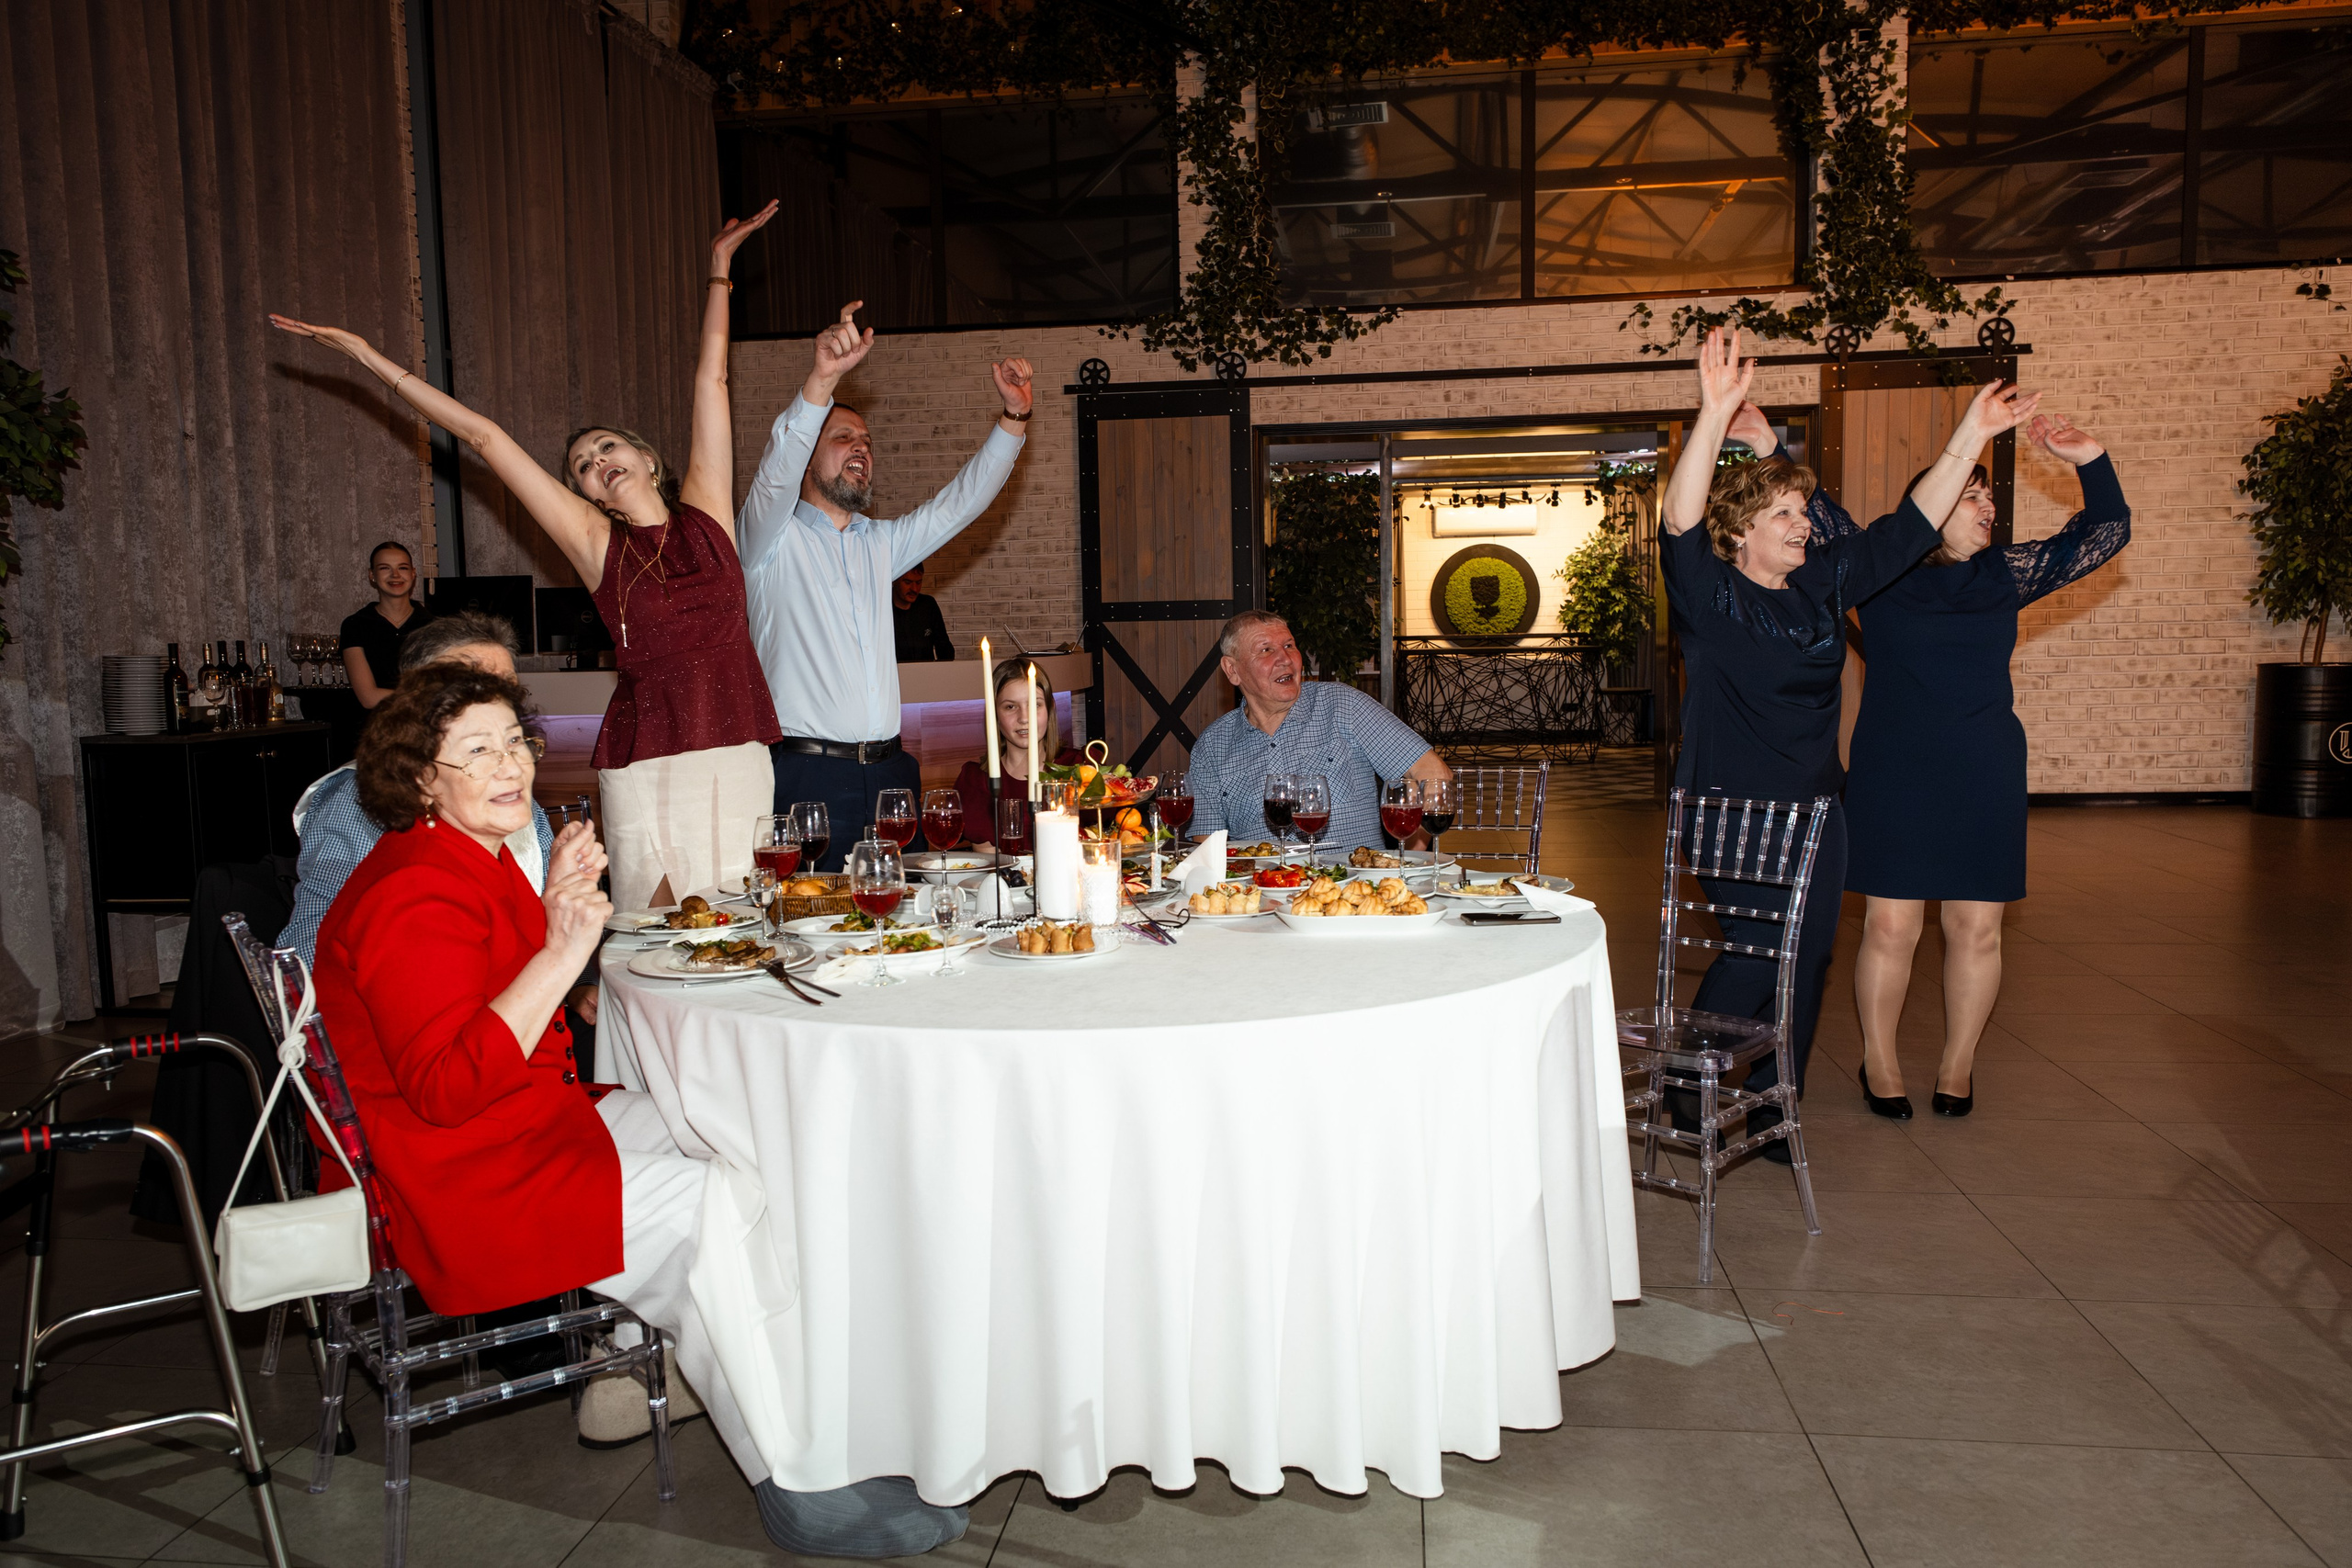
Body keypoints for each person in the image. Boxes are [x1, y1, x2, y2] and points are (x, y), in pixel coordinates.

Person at [312, 665, 967, 1558]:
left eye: (514, 741)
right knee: (704, 1206)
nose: (509, 765)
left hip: (519, 1123)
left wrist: (546, 906)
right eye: (476, 750)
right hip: (459, 1178)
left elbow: (488, 1000)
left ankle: (777, 1394)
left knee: (736, 1141)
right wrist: (562, 947)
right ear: (421, 779)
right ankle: (795, 1473)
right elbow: (444, 1086)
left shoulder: (466, 854)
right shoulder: (408, 893)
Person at [271, 202, 786, 913]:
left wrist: (720, 269)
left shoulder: (709, 514)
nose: (595, 462)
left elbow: (712, 384)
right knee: (651, 939)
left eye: (607, 447)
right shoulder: (597, 543)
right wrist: (367, 357)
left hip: (735, 746)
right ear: (585, 493)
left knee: (744, 925)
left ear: (644, 456)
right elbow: (484, 437)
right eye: (580, 464)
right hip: (645, 757)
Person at [1657, 326, 2039, 1159]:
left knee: (1810, 958)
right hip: (1732, 811)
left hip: (1816, 811)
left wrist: (1969, 434)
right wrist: (1713, 418)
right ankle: (1690, 1079)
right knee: (1757, 950)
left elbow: (1908, 528)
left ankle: (1771, 1103)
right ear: (1741, 534)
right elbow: (1680, 519)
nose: (1803, 524)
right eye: (1784, 514)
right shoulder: (1708, 597)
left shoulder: (1823, 588)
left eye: (1802, 511)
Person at [1737, 406, 2131, 1119]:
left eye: (1989, 496)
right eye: (1972, 494)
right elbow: (1820, 519)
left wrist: (2091, 458)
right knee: (1891, 926)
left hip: (1985, 769)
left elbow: (2104, 533)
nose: (1988, 506)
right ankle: (1879, 1060)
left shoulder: (2006, 574)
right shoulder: (1880, 575)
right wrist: (1770, 444)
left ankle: (1958, 1063)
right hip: (1896, 769)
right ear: (1936, 506)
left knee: (1975, 928)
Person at [740, 299, 1034, 868]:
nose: (862, 448)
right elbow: (775, 469)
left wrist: (1013, 420)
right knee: (814, 925)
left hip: (893, 773)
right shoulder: (765, 541)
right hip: (806, 773)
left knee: (903, 930)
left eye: (868, 442)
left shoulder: (883, 543)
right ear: (808, 459)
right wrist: (822, 379)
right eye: (843, 437)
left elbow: (960, 504)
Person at [283, 612, 554, 966]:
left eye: (506, 686)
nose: (495, 700)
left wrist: (580, 984)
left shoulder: (509, 785)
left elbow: (544, 921)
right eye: (471, 685)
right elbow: (314, 939)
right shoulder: (359, 798)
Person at [1185, 610, 1452, 853]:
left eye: (1289, 646)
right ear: (1232, 670)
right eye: (1266, 650)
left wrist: (1406, 867)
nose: (1285, 659)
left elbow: (1432, 774)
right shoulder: (1213, 745)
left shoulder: (1342, 706)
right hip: (1262, 892)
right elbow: (1207, 844)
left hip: (1353, 889)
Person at [956, 660, 1080, 852]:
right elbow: (992, 870)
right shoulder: (977, 782)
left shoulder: (1079, 769)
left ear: (1050, 708)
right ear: (994, 714)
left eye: (1035, 705)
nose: (1024, 718)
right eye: (1010, 707)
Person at [339, 541, 434, 709]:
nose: (395, 575)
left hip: (425, 727)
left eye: (402, 568)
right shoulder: (355, 625)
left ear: (413, 574)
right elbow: (369, 697)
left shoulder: (434, 626)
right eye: (385, 568)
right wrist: (424, 697)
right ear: (372, 575)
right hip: (375, 728)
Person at [891, 562, 956, 663]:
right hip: (892, 676)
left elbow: (944, 649)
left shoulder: (928, 605)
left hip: (926, 675)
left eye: (918, 582)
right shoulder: (881, 608)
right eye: (908, 582)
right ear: (894, 580)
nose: (914, 589)